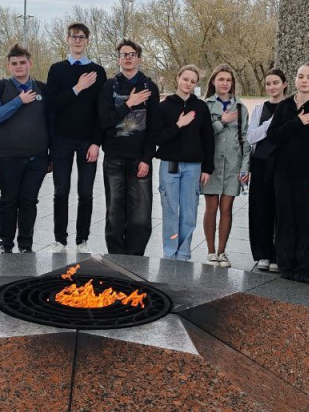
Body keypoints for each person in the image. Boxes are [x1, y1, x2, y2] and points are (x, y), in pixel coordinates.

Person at [267, 64, 309, 283]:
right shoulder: (284, 107)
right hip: (283, 176)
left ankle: (304, 269)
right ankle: (286, 264)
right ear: (295, 80)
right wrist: (297, 122)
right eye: (300, 76)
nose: (304, 80)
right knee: (285, 221)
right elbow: (272, 136)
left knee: (307, 223)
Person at [43, 23, 107, 253]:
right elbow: (51, 104)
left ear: (88, 40)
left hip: (87, 141)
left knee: (86, 192)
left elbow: (101, 111)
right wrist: (77, 88)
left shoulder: (98, 72)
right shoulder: (57, 69)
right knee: (60, 191)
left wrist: (96, 142)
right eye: (74, 36)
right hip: (61, 140)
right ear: (67, 40)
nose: (78, 40)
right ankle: (60, 239)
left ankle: (82, 240)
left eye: (82, 37)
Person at [97, 39, 160, 255]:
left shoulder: (150, 87)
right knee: (115, 212)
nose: (128, 57)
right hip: (114, 158)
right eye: (124, 54)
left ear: (139, 58)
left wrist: (147, 159)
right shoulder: (109, 86)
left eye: (132, 54)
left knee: (141, 215)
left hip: (139, 159)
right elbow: (104, 121)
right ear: (118, 59)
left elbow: (154, 128)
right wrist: (129, 104)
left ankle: (135, 258)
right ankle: (116, 257)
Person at [0, 44, 49, 254]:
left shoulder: (42, 88)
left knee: (29, 202)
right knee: (9, 201)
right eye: (14, 63)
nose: (19, 66)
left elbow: (52, 122)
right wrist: (18, 101)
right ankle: (6, 244)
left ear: (30, 63)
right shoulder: (0, 87)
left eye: (23, 62)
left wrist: (52, 155)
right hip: (8, 157)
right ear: (9, 66)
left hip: (37, 159)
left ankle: (26, 245)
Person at [154, 65, 214, 260]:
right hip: (169, 166)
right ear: (178, 78)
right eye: (185, 79)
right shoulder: (164, 107)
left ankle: (184, 253)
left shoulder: (201, 107)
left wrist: (207, 168)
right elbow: (158, 138)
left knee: (188, 212)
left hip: (193, 167)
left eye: (193, 81)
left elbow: (208, 139)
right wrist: (179, 125)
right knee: (171, 211)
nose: (188, 83)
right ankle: (170, 252)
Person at [201, 64, 251, 267]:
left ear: (232, 84)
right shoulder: (206, 106)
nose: (224, 83)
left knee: (227, 209)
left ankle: (222, 252)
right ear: (213, 81)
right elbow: (202, 135)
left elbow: (245, 139)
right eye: (221, 79)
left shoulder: (241, 108)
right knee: (211, 208)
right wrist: (221, 120)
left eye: (228, 80)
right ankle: (211, 252)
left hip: (233, 164)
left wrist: (245, 167)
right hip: (211, 165)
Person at [246, 68, 288, 272]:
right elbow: (251, 137)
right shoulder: (260, 108)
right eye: (269, 84)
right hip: (261, 164)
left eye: (276, 83)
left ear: (285, 84)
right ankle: (263, 254)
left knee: (281, 210)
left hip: (283, 165)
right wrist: (271, 123)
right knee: (260, 210)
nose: (272, 87)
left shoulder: (291, 107)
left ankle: (279, 254)